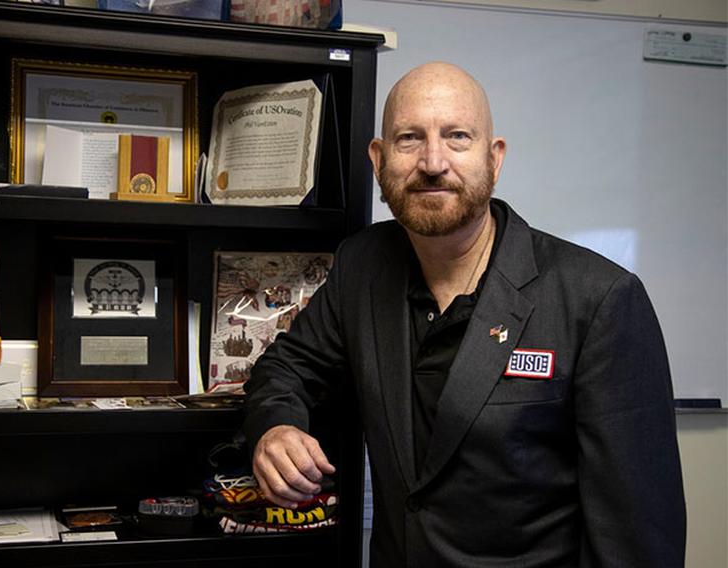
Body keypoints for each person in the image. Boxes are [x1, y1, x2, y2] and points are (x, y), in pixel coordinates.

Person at [243, 62, 686, 567]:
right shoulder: (362, 265)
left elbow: (638, 537)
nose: (433, 162)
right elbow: (286, 367)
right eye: (410, 139)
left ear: (494, 159)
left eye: (457, 137)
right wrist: (275, 427)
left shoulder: (600, 299)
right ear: (378, 159)